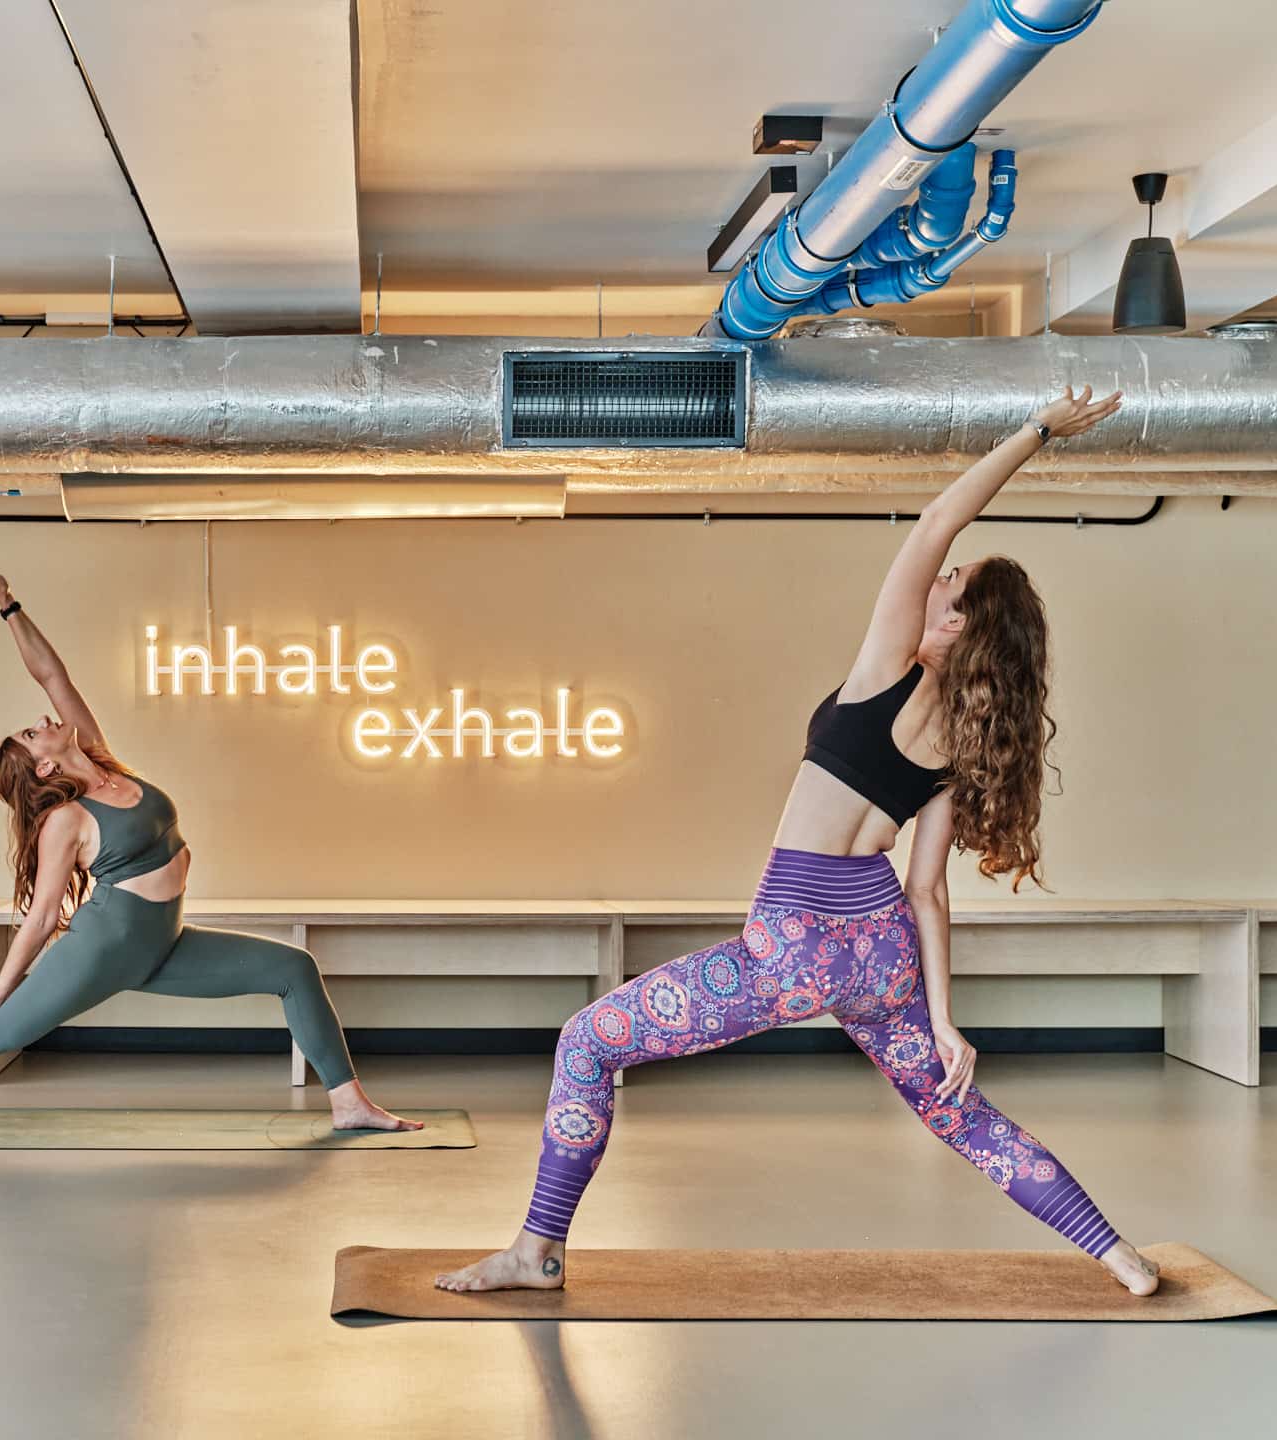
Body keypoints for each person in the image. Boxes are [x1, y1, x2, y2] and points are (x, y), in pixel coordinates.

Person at [436, 386, 1161, 1297]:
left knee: (586, 1043)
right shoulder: (963, 743)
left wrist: (1037, 431)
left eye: (954, 584)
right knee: (962, 1117)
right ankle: (1116, 1255)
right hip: (883, 954)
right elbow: (927, 891)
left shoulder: (888, 667)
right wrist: (941, 1018)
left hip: (792, 946)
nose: (939, 579)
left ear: (961, 623)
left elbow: (939, 517)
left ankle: (536, 1250)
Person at [0, 551, 420, 1136]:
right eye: (31, 732)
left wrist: (7, 602)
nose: (41, 720)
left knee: (294, 968)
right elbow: (42, 917)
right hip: (103, 949)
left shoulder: (100, 760)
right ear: (42, 767)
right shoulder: (65, 819)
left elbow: (52, 676)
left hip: (162, 942)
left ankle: (349, 1103)